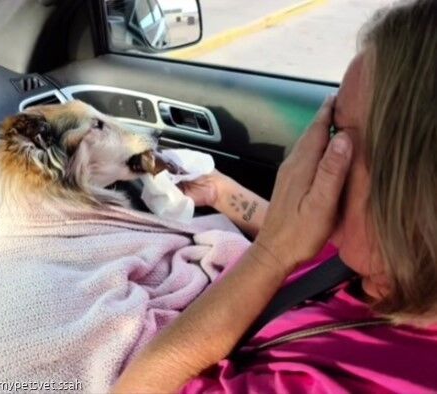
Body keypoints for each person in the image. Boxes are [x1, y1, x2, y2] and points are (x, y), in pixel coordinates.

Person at [113, 0, 437, 392]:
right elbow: (308, 239)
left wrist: (271, 256)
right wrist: (221, 192)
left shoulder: (335, 381)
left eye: (338, 137)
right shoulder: (388, 254)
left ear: (412, 188)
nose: (315, 155)